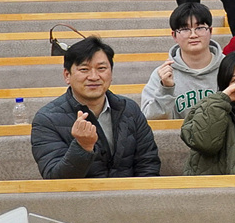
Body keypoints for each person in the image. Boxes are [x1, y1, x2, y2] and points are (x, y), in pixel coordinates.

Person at [31, 37, 160, 178]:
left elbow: (148, 164)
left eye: (101, 68)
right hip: (79, 193)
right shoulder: (47, 119)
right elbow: (54, 178)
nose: (93, 77)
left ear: (111, 73)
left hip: (131, 191)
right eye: (84, 69)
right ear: (67, 75)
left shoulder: (129, 109)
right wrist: (83, 147)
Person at [141, 2, 223, 121]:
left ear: (210, 31)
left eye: (199, 28)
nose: (193, 35)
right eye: (185, 29)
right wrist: (166, 89)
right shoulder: (162, 74)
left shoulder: (229, 68)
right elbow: (150, 120)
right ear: (174, 35)